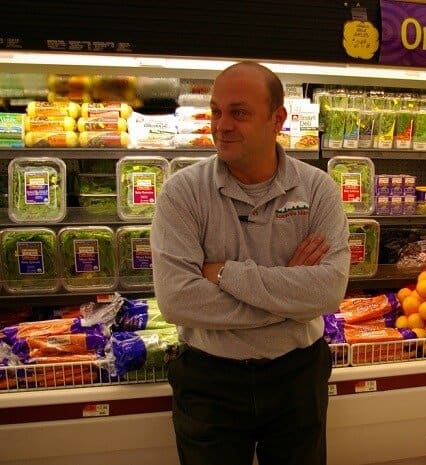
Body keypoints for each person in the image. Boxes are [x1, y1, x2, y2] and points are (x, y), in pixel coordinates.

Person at [150, 61, 350, 465]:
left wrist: (224, 273)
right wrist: (289, 298)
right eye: (216, 111)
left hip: (297, 376)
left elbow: (328, 290)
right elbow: (177, 301)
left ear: (278, 119)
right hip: (209, 380)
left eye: (239, 113)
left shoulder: (318, 190)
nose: (222, 125)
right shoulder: (182, 193)